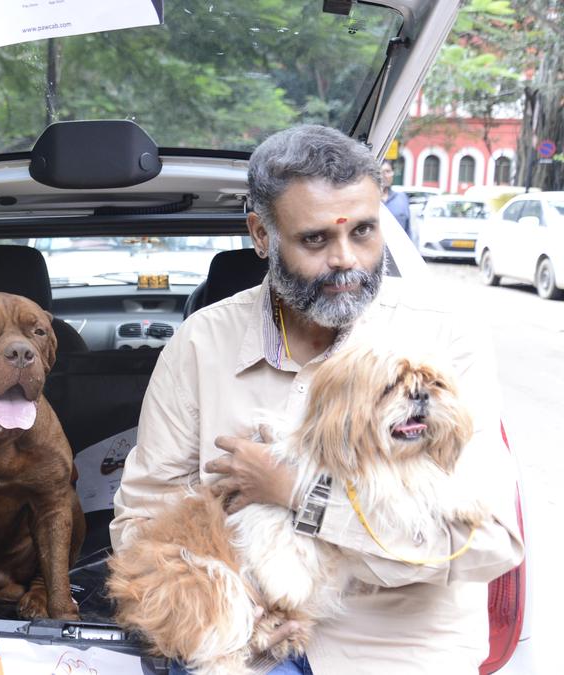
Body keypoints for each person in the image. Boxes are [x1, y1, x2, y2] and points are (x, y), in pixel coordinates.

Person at [111, 125, 523, 674]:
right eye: (316, 239)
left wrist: (300, 497)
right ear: (261, 235)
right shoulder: (200, 343)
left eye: (364, 232)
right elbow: (143, 513)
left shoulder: (444, 340)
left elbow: (488, 544)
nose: (346, 260)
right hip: (238, 639)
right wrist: (219, 606)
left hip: (395, 652)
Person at [380, 160, 412, 239]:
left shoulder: (402, 198)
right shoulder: (369, 199)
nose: (384, 175)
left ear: (393, 173)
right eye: (380, 172)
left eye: (388, 171)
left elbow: (408, 230)